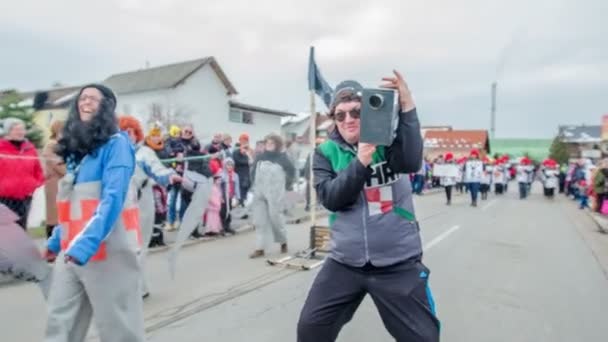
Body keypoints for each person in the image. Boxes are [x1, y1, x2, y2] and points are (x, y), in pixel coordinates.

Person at [297, 73, 439, 342]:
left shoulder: (389, 140)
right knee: (310, 330)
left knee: (424, 338)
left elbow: (410, 161)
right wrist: (361, 160)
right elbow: (332, 198)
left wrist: (407, 104)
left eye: (355, 112)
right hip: (345, 262)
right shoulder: (325, 152)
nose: (348, 119)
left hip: (396, 262)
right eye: (340, 115)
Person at [44, 84, 145, 342]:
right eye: (82, 98)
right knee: (60, 324)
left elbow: (113, 200)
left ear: (106, 107)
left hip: (108, 250)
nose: (85, 102)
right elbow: (73, 205)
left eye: (93, 98)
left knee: (118, 328)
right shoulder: (79, 151)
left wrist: (83, 245)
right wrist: (56, 241)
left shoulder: (117, 145)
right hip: (72, 250)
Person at [249, 133, 295, 258]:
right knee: (259, 221)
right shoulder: (260, 157)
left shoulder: (283, 158)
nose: (269, 145)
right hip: (260, 191)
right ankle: (260, 248)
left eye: (272, 143)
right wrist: (253, 183)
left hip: (275, 192)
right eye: (267, 143)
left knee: (275, 218)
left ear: (277, 145)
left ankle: (283, 241)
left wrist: (287, 185)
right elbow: (253, 171)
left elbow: (292, 172)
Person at [0, 117, 45, 230]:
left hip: (25, 196)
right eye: (16, 129)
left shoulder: (30, 148)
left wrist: (33, 185)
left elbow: (38, 171)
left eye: (22, 129)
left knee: (21, 227)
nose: (20, 132)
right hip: (4, 197)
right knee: (6, 228)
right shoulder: (1, 148)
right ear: (8, 132)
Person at [42, 120, 67, 238]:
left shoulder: (65, 144)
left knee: (63, 215)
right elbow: (58, 165)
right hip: (55, 184)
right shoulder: (51, 145)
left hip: (64, 185)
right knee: (54, 216)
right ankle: (51, 244)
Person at [233, 133, 254, 206]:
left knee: (245, 188)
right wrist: (247, 161)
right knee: (240, 189)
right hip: (239, 173)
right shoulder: (236, 150)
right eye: (242, 140)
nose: (244, 141)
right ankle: (240, 204)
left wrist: (249, 155)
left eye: (246, 140)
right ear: (240, 141)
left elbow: (252, 161)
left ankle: (242, 203)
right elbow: (236, 160)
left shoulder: (250, 150)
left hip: (247, 173)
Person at [220, 158, 239, 235]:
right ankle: (222, 227)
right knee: (223, 212)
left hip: (231, 196)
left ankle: (228, 226)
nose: (230, 166)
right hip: (224, 196)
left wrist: (237, 197)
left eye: (231, 165)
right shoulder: (222, 175)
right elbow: (219, 187)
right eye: (228, 165)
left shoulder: (235, 175)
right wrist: (220, 197)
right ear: (224, 165)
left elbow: (237, 187)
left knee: (229, 211)